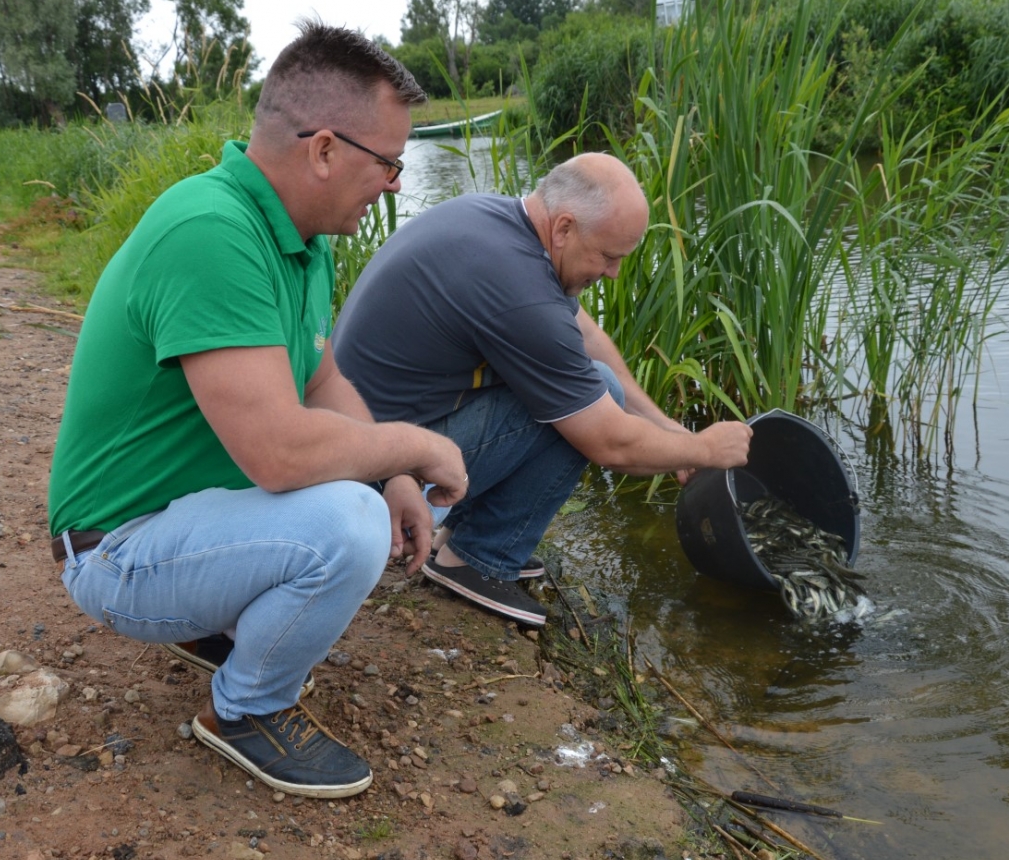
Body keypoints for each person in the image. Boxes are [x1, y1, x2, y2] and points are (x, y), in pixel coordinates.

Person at [46, 23, 467, 800]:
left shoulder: (302, 241)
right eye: (389, 163)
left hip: (182, 518)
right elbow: (279, 455)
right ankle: (245, 710)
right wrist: (414, 444)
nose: (397, 184)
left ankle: (215, 625)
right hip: (115, 552)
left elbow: (321, 377)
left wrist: (398, 471)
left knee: (362, 495)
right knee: (347, 522)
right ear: (326, 150)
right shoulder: (211, 230)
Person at [331, 153, 754, 627]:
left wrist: (663, 425)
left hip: (371, 434)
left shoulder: (500, 224)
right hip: (375, 478)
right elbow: (609, 444)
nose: (613, 273)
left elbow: (587, 339)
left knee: (595, 385)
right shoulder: (518, 289)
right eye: (609, 256)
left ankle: (464, 540)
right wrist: (703, 448)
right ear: (565, 228)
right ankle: (478, 558)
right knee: (592, 402)